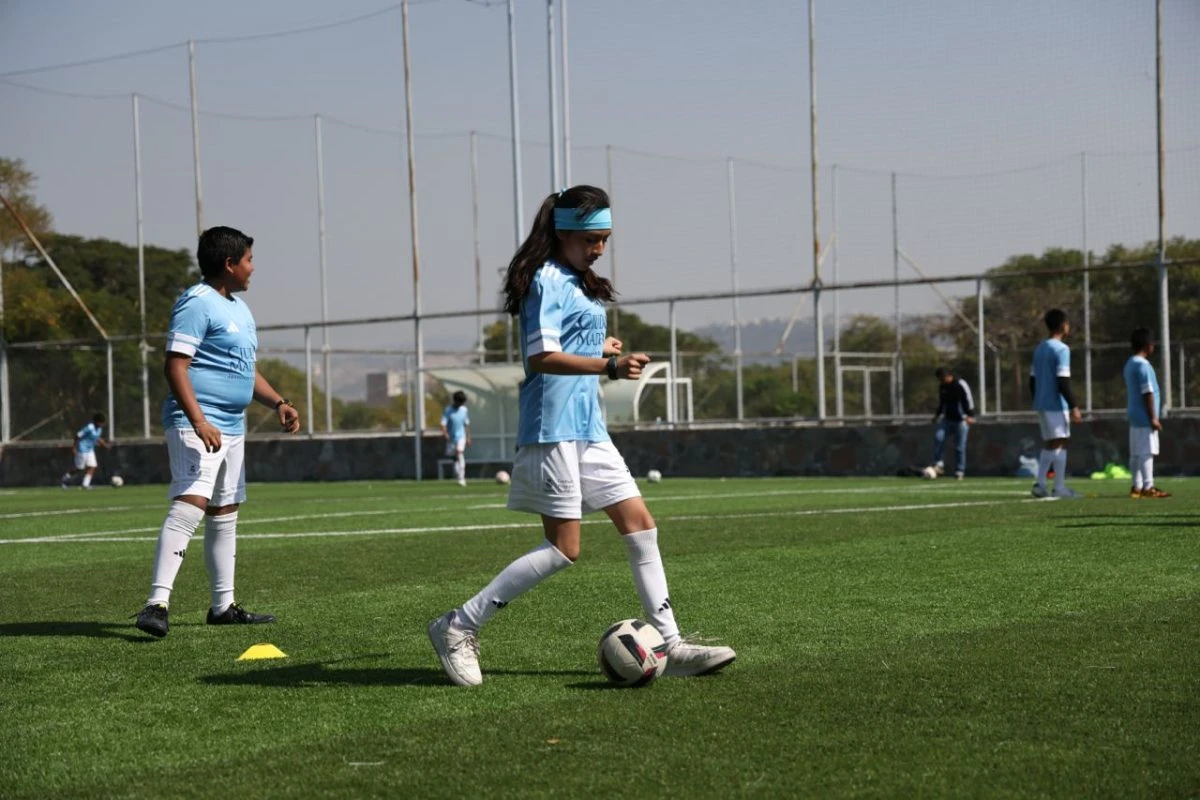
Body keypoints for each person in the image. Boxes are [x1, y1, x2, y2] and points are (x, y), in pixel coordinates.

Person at [427, 185, 736, 686]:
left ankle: (670, 644)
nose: (599, 248)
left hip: (588, 427)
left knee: (640, 525)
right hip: (552, 428)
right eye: (592, 239)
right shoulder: (545, 279)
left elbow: (568, 343)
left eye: (605, 239)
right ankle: (458, 625)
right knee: (563, 548)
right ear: (564, 233)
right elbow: (540, 357)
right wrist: (609, 365)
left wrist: (598, 347)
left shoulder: (577, 282)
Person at [133, 226, 301, 639]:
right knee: (191, 503)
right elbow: (175, 366)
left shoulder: (240, 309)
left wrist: (279, 402)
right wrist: (199, 421)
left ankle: (223, 607)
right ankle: (156, 604)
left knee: (225, 512)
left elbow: (245, 371)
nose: (253, 268)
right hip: (197, 423)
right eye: (249, 260)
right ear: (229, 264)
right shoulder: (196, 302)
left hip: (232, 427)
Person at [1029, 308, 1083, 499]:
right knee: (1060, 442)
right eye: (1067, 323)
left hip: (1041, 404)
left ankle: (1040, 484)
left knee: (1050, 443)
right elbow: (1063, 381)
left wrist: (1038, 399)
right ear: (1062, 325)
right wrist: (1074, 406)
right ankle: (1059, 487)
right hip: (1055, 405)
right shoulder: (1061, 349)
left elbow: (1032, 380)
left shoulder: (1039, 349)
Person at [1124, 327, 1169, 499]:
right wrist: (1153, 417)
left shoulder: (1130, 363)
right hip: (1144, 415)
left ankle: (1136, 486)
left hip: (1134, 413)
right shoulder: (1143, 366)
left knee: (1136, 452)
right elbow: (1147, 392)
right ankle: (1148, 486)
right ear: (1147, 345)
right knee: (1147, 451)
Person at [930, 367, 975, 480]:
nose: (941, 381)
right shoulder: (943, 386)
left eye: (942, 378)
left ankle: (959, 471)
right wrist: (937, 415)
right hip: (947, 419)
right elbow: (942, 403)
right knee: (938, 437)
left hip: (961, 420)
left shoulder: (960, 384)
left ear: (948, 376)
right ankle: (938, 464)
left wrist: (970, 415)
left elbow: (968, 400)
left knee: (959, 447)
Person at [60, 413, 110, 489]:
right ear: (96, 422)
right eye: (101, 422)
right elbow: (78, 435)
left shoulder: (99, 429)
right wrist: (74, 447)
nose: (102, 424)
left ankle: (85, 485)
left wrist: (105, 445)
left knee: (92, 466)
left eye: (103, 423)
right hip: (82, 449)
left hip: (90, 450)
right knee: (79, 469)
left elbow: (97, 438)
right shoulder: (89, 427)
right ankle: (64, 479)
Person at [441, 390, 471, 487]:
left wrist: (468, 437)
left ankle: (462, 478)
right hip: (451, 438)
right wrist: (445, 433)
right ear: (455, 401)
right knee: (455, 458)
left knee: (459, 452)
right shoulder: (448, 410)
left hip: (461, 436)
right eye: (459, 402)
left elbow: (466, 424)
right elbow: (443, 424)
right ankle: (459, 476)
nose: (460, 405)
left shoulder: (464, 410)